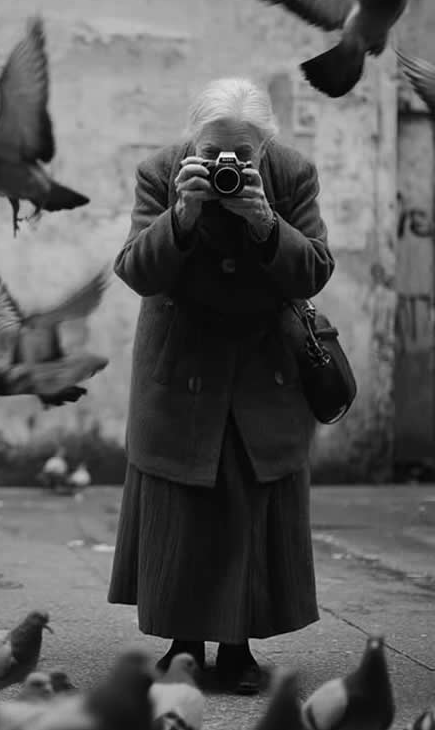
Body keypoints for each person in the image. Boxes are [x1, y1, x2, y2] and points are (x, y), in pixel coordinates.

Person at [107, 77, 335, 695]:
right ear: (193, 139)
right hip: (181, 364)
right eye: (212, 152)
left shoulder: (292, 175)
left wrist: (264, 220)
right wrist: (182, 215)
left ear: (265, 146)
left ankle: (238, 649)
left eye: (242, 153)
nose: (225, 164)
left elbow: (313, 270)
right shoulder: (163, 172)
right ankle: (183, 645)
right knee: (183, 506)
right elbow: (135, 271)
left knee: (248, 503)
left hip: (263, 369)